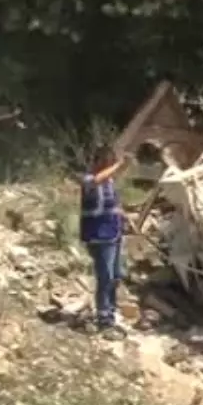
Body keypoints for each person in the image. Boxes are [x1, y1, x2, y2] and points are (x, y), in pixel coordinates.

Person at [79, 144, 128, 337]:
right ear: (99, 161)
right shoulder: (88, 179)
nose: (110, 165)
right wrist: (119, 165)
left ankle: (111, 313)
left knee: (116, 275)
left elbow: (112, 204)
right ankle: (104, 318)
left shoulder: (109, 182)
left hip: (114, 234)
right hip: (98, 237)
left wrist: (124, 216)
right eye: (107, 161)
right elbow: (97, 180)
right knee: (105, 276)